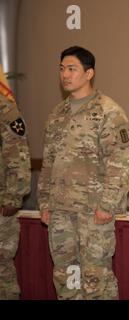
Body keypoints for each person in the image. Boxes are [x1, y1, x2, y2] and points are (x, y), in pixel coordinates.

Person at [37, 46, 129, 299]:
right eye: (61, 69)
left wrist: (107, 205)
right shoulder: (57, 114)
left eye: (72, 69)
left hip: (94, 212)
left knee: (95, 279)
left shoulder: (108, 111)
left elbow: (119, 163)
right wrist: (45, 202)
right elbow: (48, 163)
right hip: (60, 212)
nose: (65, 75)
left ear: (89, 73)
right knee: (66, 277)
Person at [0, 89, 31, 299]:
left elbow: (18, 154)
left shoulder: (4, 108)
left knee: (2, 269)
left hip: (1, 204)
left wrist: (13, 197)